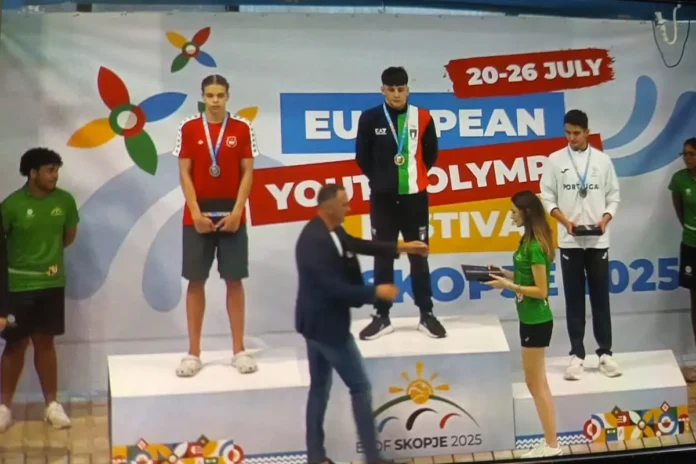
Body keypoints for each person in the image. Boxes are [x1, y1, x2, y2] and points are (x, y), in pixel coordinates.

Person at [295, 183, 428, 464]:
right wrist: (375, 292)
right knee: (360, 387)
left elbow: (358, 244)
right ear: (329, 207)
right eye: (344, 204)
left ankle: (316, 456)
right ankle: (372, 458)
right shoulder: (314, 242)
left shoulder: (331, 231)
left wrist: (402, 247)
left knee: (319, 390)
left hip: (315, 326)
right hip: (327, 330)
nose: (349, 208)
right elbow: (332, 289)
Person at [174, 74, 258, 377]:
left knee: (234, 280)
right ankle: (193, 353)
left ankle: (239, 350)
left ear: (227, 96)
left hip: (232, 215)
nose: (214, 101)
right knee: (195, 281)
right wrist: (195, 212)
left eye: (220, 95)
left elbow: (248, 173)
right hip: (197, 217)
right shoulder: (188, 128)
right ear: (202, 96)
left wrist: (238, 211)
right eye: (210, 95)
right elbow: (184, 173)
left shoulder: (242, 128)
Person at [354, 66, 445, 341]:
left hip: (415, 198)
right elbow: (362, 157)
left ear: (408, 90)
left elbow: (431, 155)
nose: (396, 94)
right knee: (383, 256)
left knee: (419, 255)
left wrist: (411, 177)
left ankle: (427, 314)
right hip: (382, 199)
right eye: (391, 89)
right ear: (382, 90)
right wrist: (383, 179)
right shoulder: (370, 118)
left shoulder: (423, 117)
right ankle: (382, 316)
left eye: (401, 89)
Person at [539, 109, 621, 381]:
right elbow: (547, 196)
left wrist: (605, 219)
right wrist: (564, 221)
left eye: (576, 133)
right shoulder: (555, 160)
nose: (571, 138)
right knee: (574, 300)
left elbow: (614, 196)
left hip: (598, 240)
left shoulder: (602, 161)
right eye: (568, 133)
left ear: (587, 132)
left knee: (600, 299)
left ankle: (605, 353)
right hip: (570, 241)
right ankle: (577, 355)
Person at [0, 148, 78, 432]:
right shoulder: (11, 205)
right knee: (15, 345)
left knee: (45, 344)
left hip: (51, 285)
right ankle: (4, 408)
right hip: (17, 287)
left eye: (56, 170)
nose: (54, 175)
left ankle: (52, 406)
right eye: (49, 170)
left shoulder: (65, 201)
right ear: (33, 173)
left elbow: (68, 237)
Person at [484, 190, 561, 458]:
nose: (511, 216)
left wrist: (508, 285)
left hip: (537, 321)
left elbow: (541, 291)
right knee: (537, 382)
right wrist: (503, 274)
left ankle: (552, 445)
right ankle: (551, 442)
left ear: (527, 213)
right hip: (528, 319)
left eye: (514, 212)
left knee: (535, 384)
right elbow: (524, 276)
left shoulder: (536, 247)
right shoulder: (526, 241)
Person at [668, 137, 696, 382]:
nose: (687, 158)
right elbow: (679, 210)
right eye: (684, 153)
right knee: (695, 303)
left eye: (691, 154)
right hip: (690, 245)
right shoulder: (679, 179)